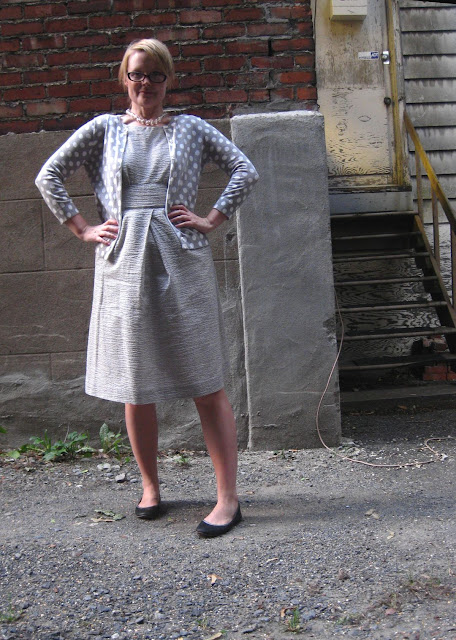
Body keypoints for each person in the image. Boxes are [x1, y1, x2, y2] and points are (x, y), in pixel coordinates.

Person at [35, 38, 258, 538]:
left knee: (205, 379)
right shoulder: (104, 129)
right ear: (124, 78)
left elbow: (245, 169)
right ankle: (150, 488)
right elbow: (49, 175)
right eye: (137, 74)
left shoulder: (191, 128)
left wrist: (212, 218)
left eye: (156, 74)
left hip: (183, 258)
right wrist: (82, 228)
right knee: (135, 384)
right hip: (123, 262)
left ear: (168, 80)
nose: (146, 83)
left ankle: (228, 499)